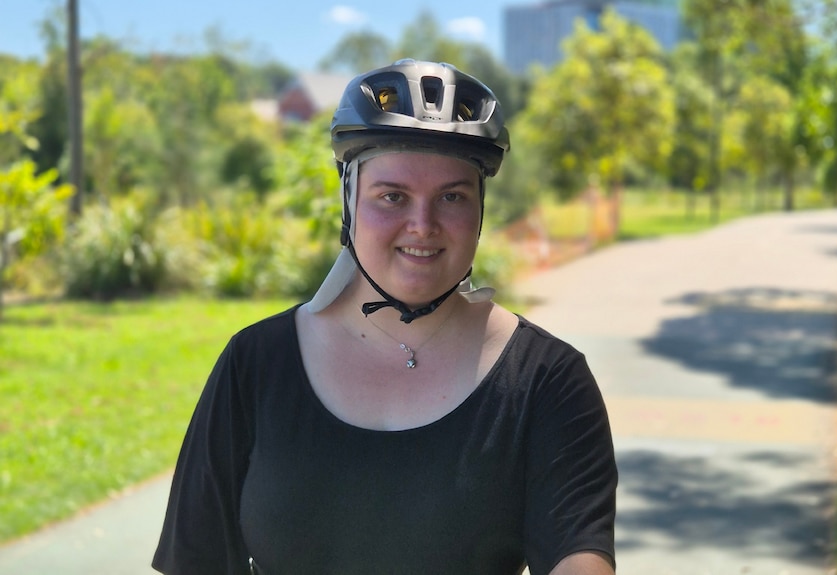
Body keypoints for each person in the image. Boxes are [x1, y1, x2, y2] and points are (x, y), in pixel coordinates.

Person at [152, 59, 617, 575]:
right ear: (349, 201)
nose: (423, 225)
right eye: (392, 196)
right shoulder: (255, 365)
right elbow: (195, 560)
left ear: (480, 210)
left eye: (453, 197)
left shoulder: (547, 380)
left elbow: (580, 558)